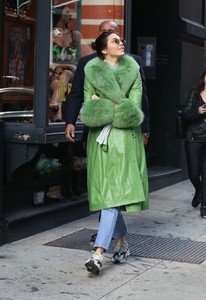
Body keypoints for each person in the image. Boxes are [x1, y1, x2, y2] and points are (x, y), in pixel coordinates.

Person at [65, 20, 150, 242]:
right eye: (105, 33)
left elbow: (140, 103)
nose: (113, 37)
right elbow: (80, 99)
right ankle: (118, 238)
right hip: (97, 134)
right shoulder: (87, 64)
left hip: (124, 135)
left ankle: (101, 245)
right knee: (103, 186)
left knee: (114, 188)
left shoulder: (133, 63)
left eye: (114, 33)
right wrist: (70, 121)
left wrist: (145, 129)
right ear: (101, 43)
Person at [182, 66, 206, 218]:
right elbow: (185, 114)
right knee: (193, 173)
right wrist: (198, 111)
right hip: (193, 138)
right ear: (203, 78)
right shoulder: (195, 94)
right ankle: (198, 190)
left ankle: (204, 206)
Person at [49, 3, 93, 122]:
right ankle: (58, 112)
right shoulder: (49, 35)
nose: (71, 15)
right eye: (67, 12)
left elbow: (89, 55)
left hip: (71, 70)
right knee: (61, 80)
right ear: (58, 13)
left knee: (67, 74)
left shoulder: (75, 35)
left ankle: (56, 105)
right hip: (53, 72)